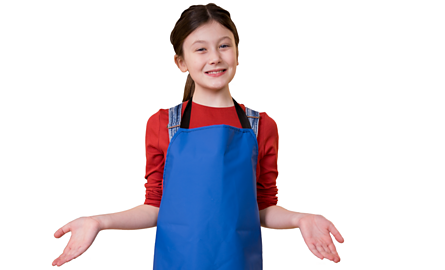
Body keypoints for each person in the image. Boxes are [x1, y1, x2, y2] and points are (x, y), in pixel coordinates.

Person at [52, 3, 344, 269]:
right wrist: (99, 221)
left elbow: (262, 206)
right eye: (200, 49)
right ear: (181, 62)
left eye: (224, 46)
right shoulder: (163, 124)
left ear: (238, 53)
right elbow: (155, 205)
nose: (215, 58)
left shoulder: (261, 126)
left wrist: (300, 219)